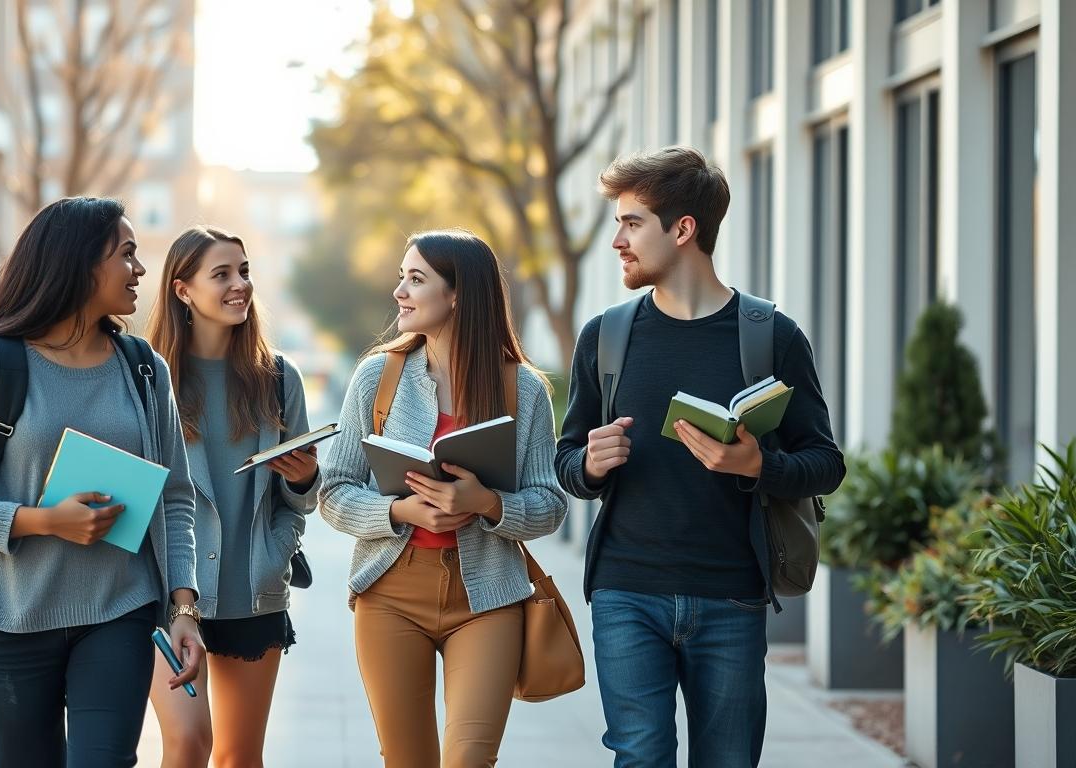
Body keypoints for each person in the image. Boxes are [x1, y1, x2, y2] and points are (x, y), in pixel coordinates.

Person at [553, 147, 846, 767]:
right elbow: (566, 461)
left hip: (732, 595)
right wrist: (589, 464)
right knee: (641, 756)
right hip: (625, 590)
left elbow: (826, 462)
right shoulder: (605, 336)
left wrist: (758, 466)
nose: (618, 241)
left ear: (683, 229)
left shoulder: (771, 335)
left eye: (632, 223)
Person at [0, 197, 205, 768]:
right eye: (127, 255)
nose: (140, 270)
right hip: (10, 613)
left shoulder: (145, 369)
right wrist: (45, 521)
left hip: (119, 611)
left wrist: (183, 608)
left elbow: (175, 498)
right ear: (79, 263)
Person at [319, 229, 568, 767]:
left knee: (469, 761)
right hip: (390, 590)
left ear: (458, 294)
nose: (399, 292)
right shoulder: (376, 377)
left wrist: (487, 503)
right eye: (401, 278)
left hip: (488, 598)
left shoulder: (522, 389)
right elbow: (333, 492)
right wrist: (397, 510)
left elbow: (550, 504)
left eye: (416, 279)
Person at [144, 225, 319, 768]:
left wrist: (300, 482)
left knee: (240, 758)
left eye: (244, 271)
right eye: (221, 274)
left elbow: (301, 504)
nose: (240, 284)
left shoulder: (278, 378)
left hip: (253, 591)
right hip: (166, 596)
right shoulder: (148, 376)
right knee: (188, 743)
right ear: (183, 290)